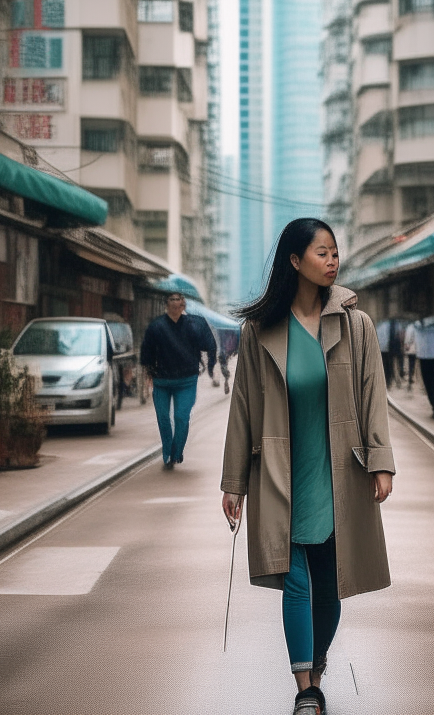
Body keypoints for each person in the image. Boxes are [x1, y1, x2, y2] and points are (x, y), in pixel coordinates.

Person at [220, 218, 395, 715]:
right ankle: (305, 689)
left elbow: (371, 395)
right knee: (294, 577)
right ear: (295, 262)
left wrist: (380, 463)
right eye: (322, 252)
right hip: (278, 472)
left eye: (335, 252)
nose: (333, 260)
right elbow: (243, 409)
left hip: (339, 468)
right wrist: (234, 482)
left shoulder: (354, 324)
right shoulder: (260, 331)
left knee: (330, 578)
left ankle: (316, 665)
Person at [139, 291, 218, 469]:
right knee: (163, 418)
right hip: (161, 381)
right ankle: (167, 452)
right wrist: (149, 372)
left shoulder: (196, 323)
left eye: (179, 299)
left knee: (181, 417)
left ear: (184, 304)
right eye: (172, 299)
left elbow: (210, 345)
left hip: (187, 380)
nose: (176, 303)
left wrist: (212, 366)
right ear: (166, 304)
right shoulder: (156, 326)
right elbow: (146, 353)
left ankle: (176, 452)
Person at [375, 318, 395, 388]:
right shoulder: (387, 324)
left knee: (384, 366)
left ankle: (386, 382)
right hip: (386, 349)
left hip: (381, 349)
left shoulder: (378, 325)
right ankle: (388, 381)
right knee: (388, 366)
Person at [403, 321, 418, 391]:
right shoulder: (418, 327)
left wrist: (406, 344)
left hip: (411, 349)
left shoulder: (410, 328)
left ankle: (410, 378)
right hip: (417, 349)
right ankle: (412, 378)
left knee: (411, 364)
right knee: (414, 364)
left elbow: (408, 338)